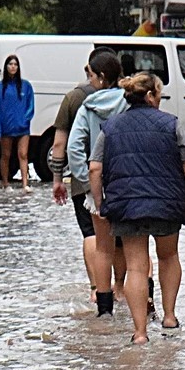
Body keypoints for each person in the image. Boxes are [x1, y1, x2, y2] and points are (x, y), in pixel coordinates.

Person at [88, 73, 185, 344]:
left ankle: (140, 333)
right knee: (168, 256)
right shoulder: (172, 124)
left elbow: (95, 167)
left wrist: (101, 203)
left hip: (127, 205)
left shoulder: (111, 127)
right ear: (150, 96)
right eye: (159, 95)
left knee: (136, 267)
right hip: (167, 204)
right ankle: (170, 317)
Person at [48, 47, 116, 307]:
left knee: (92, 235)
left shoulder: (74, 98)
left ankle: (96, 289)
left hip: (85, 179)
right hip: (121, 178)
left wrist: (58, 178)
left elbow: (60, 144)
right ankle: (122, 288)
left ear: (92, 70)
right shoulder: (127, 97)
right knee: (122, 240)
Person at [67, 51, 128, 317]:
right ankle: (133, 295)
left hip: (99, 186)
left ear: (102, 77)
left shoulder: (87, 107)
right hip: (129, 184)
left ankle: (104, 310)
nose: (89, 81)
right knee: (134, 245)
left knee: (103, 247)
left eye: (91, 75)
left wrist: (87, 177)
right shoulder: (130, 103)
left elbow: (73, 147)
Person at [0, 54, 35, 191]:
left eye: (15, 64)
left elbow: (30, 105)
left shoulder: (26, 86)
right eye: (10, 64)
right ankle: (5, 183)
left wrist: (26, 119)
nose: (13, 67)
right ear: (6, 67)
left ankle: (25, 183)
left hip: (22, 127)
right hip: (6, 127)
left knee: (23, 154)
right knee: (5, 155)